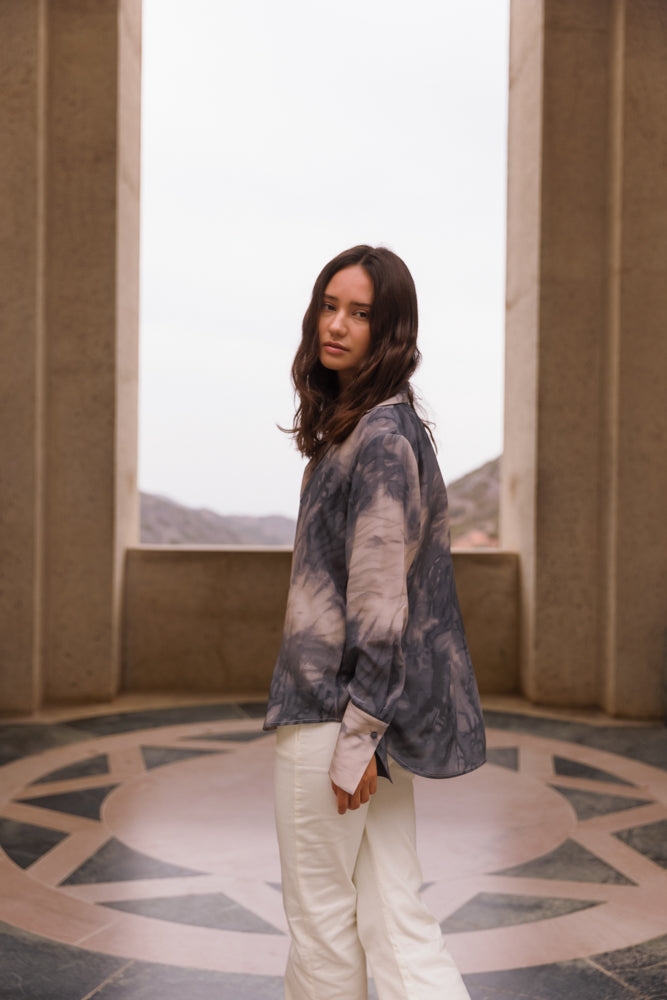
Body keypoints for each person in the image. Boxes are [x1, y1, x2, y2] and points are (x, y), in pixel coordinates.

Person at [264, 245, 485, 1000]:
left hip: (338, 716)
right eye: (329, 305)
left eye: (360, 313)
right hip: (366, 720)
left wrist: (354, 741)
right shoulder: (365, 429)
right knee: (395, 921)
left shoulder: (380, 440)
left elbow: (382, 603)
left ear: (390, 330)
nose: (336, 325)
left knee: (322, 924)